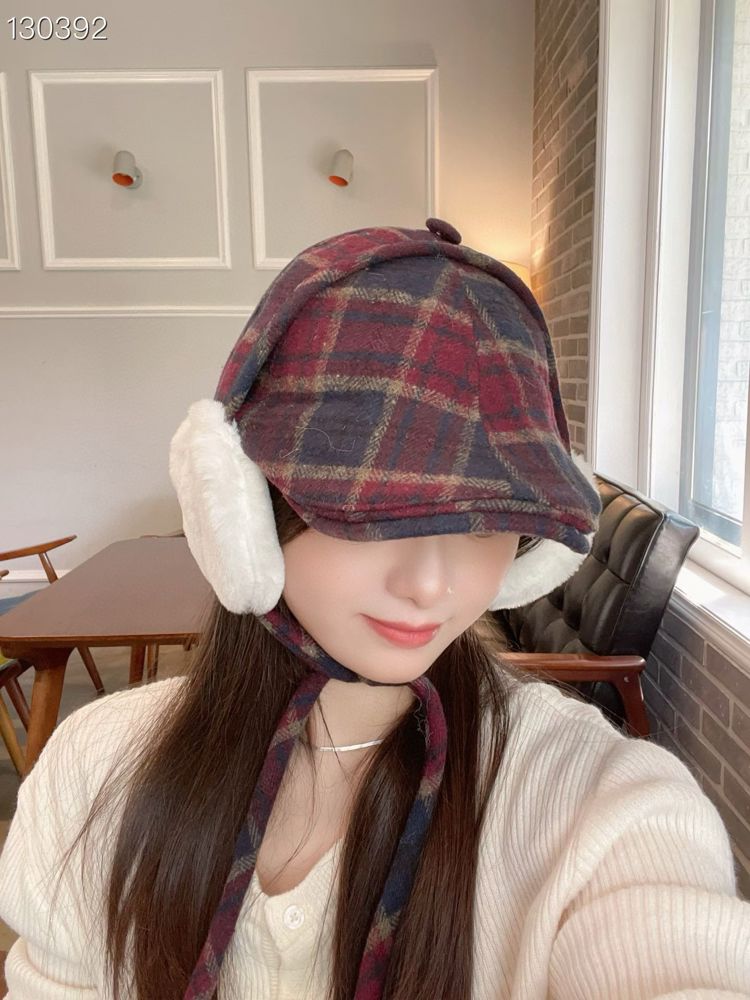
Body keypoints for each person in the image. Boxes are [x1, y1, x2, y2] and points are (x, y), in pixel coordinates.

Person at [0, 218, 748, 1000]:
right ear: (244, 502)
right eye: (374, 515)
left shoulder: (597, 798)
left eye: (486, 522)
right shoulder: (94, 770)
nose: (429, 585)